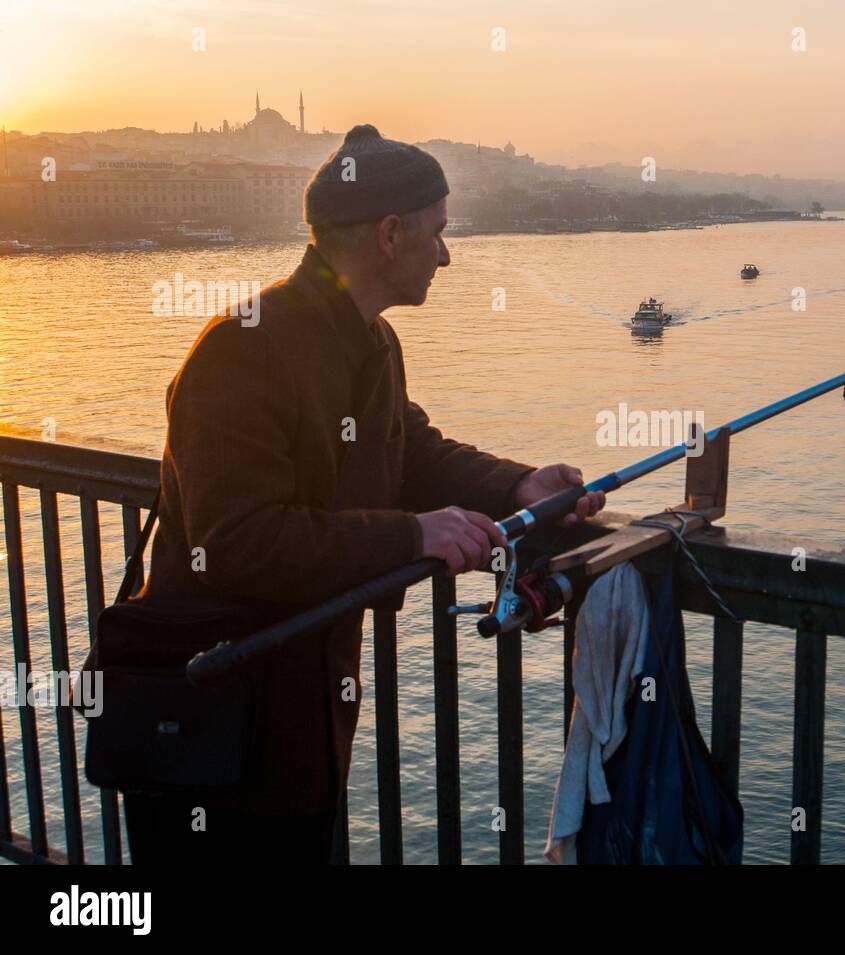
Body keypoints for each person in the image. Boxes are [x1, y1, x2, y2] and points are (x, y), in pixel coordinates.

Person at [124, 124, 605, 863]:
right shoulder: (241, 349)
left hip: (302, 734)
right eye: (438, 233)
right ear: (389, 234)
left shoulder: (371, 339)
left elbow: (409, 450)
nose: (446, 254)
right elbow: (236, 543)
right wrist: (411, 538)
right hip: (208, 736)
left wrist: (519, 484)